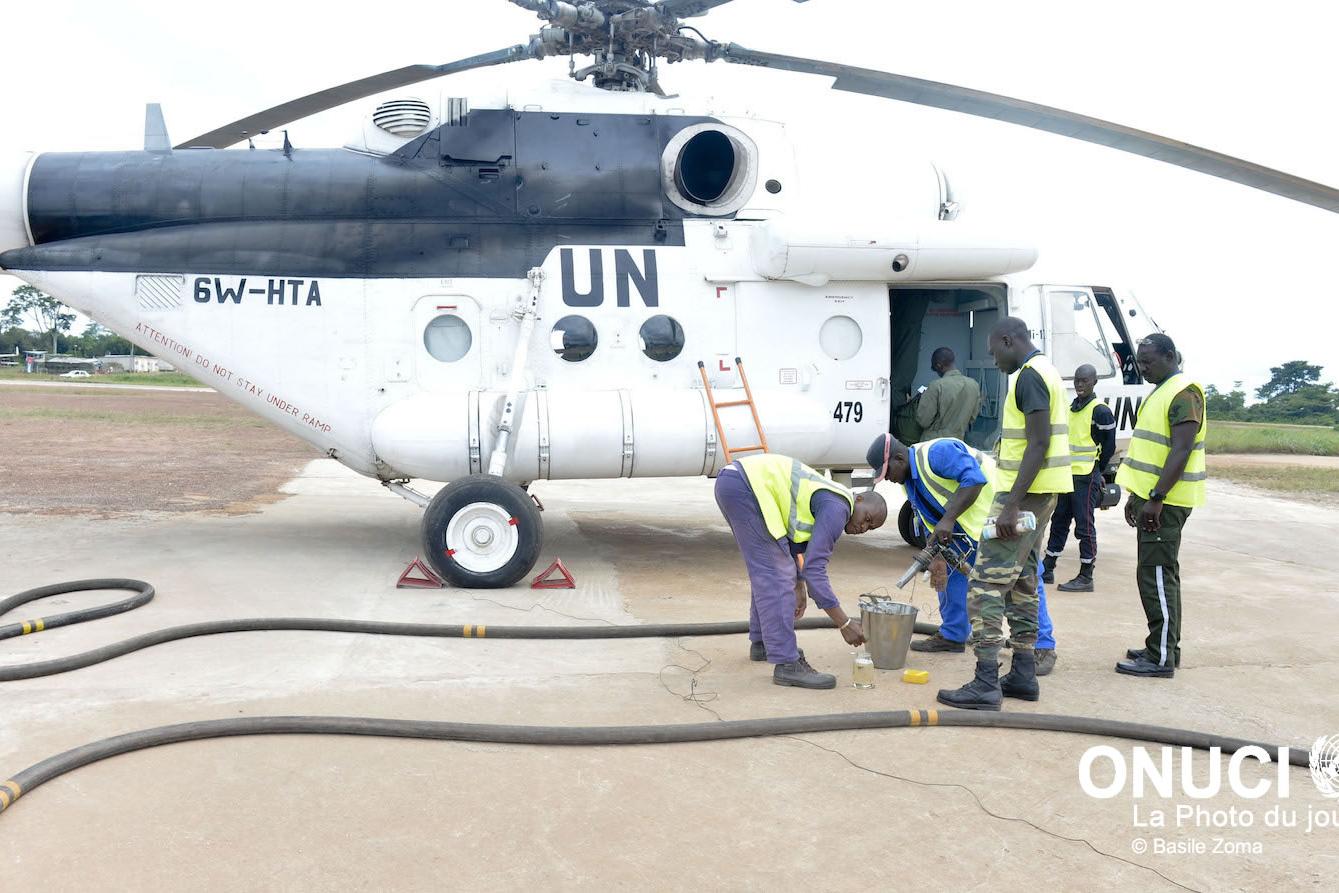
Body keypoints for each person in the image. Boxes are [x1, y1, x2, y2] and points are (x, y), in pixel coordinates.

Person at [937, 317, 1072, 710]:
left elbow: (1038, 442)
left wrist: (1011, 503)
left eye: (994, 351)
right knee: (1023, 581)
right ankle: (1023, 673)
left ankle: (985, 680)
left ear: (1008, 340)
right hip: (1042, 494)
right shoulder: (1047, 371)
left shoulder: (1029, 376)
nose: (993, 360)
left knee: (985, 583)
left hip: (1024, 496)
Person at [867, 434, 1059, 674]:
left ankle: (1042, 646)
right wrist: (936, 555)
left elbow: (974, 479)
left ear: (899, 458)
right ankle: (953, 634)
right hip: (966, 530)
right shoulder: (909, 480)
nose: (888, 479)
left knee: (1022, 579)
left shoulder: (937, 453)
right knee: (949, 572)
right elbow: (927, 514)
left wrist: (948, 520)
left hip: (1001, 518)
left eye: (887, 472)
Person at [715, 452, 888, 689]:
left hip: (736, 482)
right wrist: (844, 623)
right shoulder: (838, 508)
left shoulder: (831, 500)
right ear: (858, 499)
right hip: (747, 487)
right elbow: (815, 570)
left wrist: (798, 584)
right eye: (867, 518)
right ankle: (787, 664)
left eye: (870, 527)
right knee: (775, 574)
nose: (863, 527)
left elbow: (792, 545)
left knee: (771, 569)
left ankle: (763, 642)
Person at [1113, 334, 1206, 678]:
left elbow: (1181, 450)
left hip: (1166, 503)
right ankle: (1164, 645)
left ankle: (1161, 656)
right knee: (1157, 573)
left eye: (1148, 361)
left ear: (1170, 356)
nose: (1142, 367)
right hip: (1153, 499)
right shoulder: (1162, 390)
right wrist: (1136, 496)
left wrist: (1156, 499)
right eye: (1140, 361)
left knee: (1155, 577)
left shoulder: (1183, 393)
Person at [1042, 363, 1118, 592]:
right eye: (1076, 380)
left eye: (1084, 380)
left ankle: (1086, 575)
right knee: (1059, 521)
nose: (1079, 384)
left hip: (1086, 476)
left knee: (1084, 526)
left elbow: (1109, 446)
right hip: (1067, 475)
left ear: (1094, 382)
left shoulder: (1100, 410)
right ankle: (1048, 567)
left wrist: (1098, 470)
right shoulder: (1071, 408)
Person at [915, 347, 982, 442]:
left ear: (938, 365)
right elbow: (972, 418)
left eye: (934, 369)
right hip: (958, 442)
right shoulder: (974, 385)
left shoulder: (936, 386)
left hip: (933, 443)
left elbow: (923, 421)